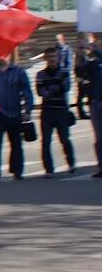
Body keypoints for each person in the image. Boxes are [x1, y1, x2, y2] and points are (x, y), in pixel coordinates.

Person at [0, 54, 34, 182]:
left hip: (14, 113)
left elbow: (27, 91)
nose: (1, 56)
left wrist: (27, 109)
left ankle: (17, 170)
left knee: (16, 143)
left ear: (9, 56)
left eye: (4, 53)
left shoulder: (18, 72)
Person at [35, 46, 77, 177]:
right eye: (49, 57)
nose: (52, 60)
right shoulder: (40, 74)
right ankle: (49, 169)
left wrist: (50, 88)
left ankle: (71, 163)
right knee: (46, 141)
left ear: (58, 57)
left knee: (64, 139)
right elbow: (41, 92)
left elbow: (65, 87)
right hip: (47, 111)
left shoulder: (64, 72)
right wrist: (55, 88)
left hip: (61, 110)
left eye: (54, 57)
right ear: (45, 59)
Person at [78, 39, 102, 177]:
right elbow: (79, 71)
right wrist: (81, 54)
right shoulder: (93, 64)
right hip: (96, 102)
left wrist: (91, 49)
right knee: (99, 138)